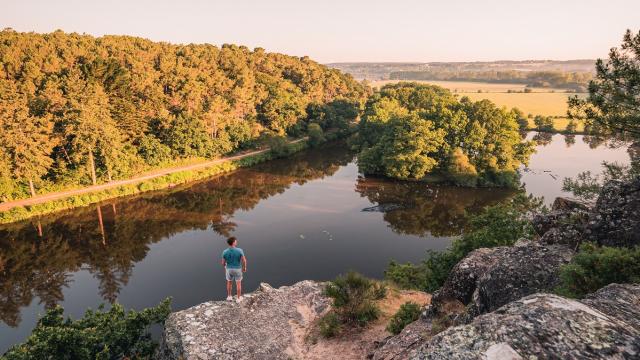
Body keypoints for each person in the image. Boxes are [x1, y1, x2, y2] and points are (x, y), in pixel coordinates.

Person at [221, 236, 247, 302]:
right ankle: (238, 298)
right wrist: (244, 267)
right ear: (233, 242)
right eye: (235, 241)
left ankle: (229, 296)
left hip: (229, 269)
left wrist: (225, 266)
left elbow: (223, 263)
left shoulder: (225, 251)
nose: (236, 242)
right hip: (238, 269)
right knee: (238, 283)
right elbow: (244, 260)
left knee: (229, 282)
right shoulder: (240, 250)